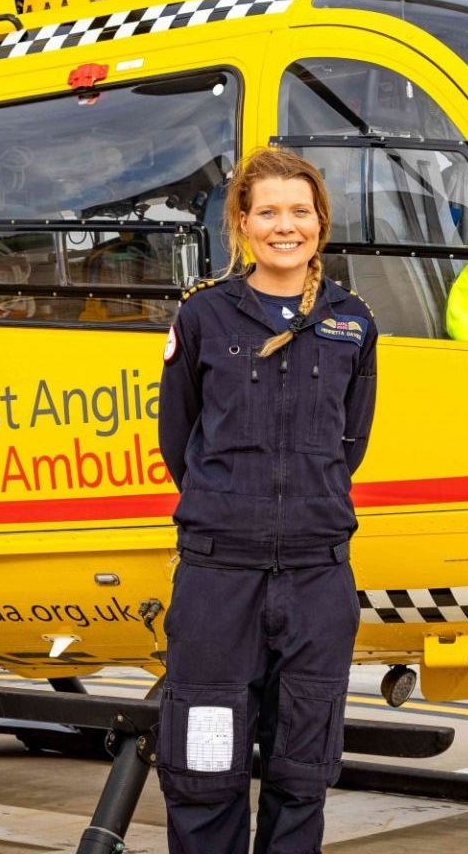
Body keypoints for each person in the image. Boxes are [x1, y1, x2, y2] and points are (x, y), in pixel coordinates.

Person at [156, 146, 378, 854]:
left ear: (320, 223)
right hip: (220, 580)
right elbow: (178, 441)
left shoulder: (351, 323)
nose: (287, 226)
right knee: (205, 768)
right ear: (243, 225)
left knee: (301, 770)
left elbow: (352, 442)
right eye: (270, 212)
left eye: (301, 212)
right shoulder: (205, 318)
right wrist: (232, 507)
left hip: (317, 579)